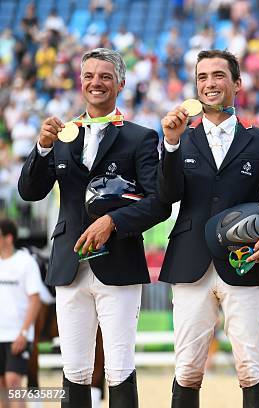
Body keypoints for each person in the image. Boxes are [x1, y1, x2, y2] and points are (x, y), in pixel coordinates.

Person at [18, 48, 170, 407]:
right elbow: (30, 190)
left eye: (104, 76)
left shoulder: (141, 137)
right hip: (69, 265)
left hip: (118, 263)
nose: (95, 83)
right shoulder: (62, 135)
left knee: (118, 368)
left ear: (120, 82)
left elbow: (158, 202)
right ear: (80, 81)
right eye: (89, 76)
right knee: (74, 371)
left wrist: (113, 221)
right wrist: (41, 148)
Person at [157, 49, 259, 408]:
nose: (210, 83)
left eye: (219, 75)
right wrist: (171, 145)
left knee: (251, 368)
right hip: (190, 263)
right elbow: (166, 196)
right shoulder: (179, 138)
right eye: (203, 76)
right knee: (188, 369)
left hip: (245, 261)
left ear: (236, 84)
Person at [0, 219, 42, 408]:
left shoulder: (26, 262)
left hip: (17, 335)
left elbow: (35, 299)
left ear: (8, 238)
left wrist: (24, 333)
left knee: (13, 383)